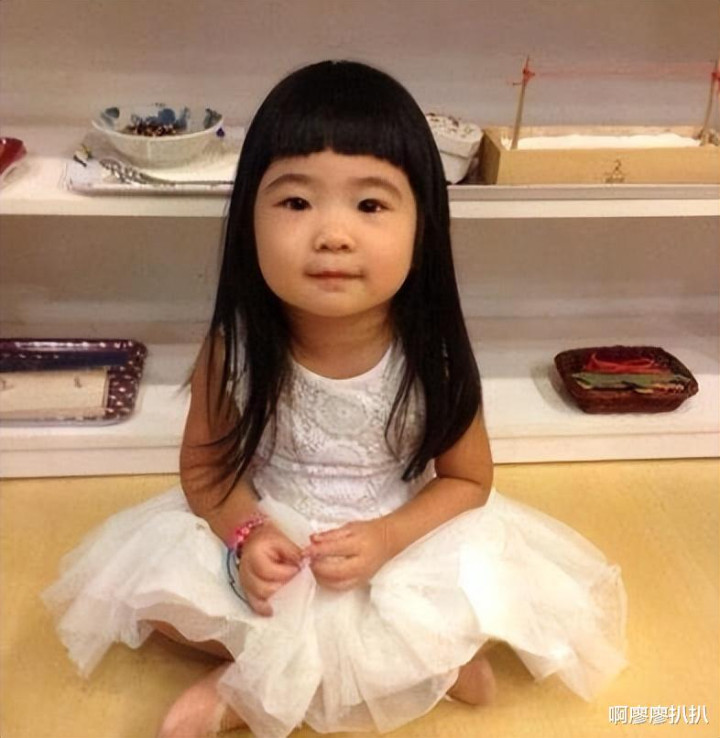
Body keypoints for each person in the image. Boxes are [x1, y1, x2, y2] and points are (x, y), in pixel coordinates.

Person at [43, 60, 627, 738]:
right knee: (159, 603)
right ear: (248, 221)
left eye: (370, 205)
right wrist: (248, 535)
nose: (333, 234)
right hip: (276, 534)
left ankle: (254, 688)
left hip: (397, 540)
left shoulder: (430, 354)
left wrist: (387, 537)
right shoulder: (234, 348)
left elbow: (469, 481)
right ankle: (420, 666)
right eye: (296, 203)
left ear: (423, 228)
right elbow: (205, 472)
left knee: (481, 587)